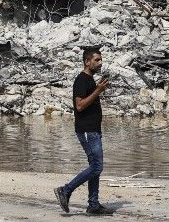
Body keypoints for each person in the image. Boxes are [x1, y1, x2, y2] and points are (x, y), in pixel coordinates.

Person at [54, 47, 113, 215]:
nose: (100, 63)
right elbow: (79, 106)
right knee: (97, 166)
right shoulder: (81, 80)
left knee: (94, 166)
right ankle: (65, 190)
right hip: (87, 131)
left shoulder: (90, 79)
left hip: (93, 129)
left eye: (101, 60)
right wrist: (98, 91)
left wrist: (97, 89)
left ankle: (93, 204)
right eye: (97, 60)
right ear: (87, 62)